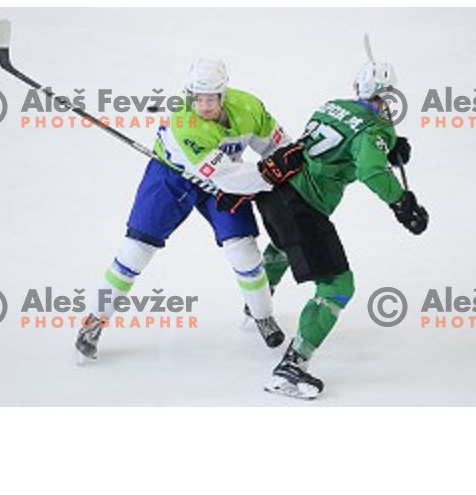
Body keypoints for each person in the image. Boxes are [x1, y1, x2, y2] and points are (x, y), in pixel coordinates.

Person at [75, 58, 304, 360]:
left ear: (224, 94)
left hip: (226, 179)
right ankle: (94, 322)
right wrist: (267, 175)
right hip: (172, 179)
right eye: (198, 98)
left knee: (244, 249)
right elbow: (230, 176)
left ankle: (262, 315)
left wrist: (284, 163)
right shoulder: (183, 124)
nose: (204, 105)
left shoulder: (249, 108)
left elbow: (279, 148)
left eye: (211, 98)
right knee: (135, 251)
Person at [253, 61, 429, 399]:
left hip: (275, 194)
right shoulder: (375, 129)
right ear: (386, 96)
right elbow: (371, 172)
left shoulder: (332, 105)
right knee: (338, 285)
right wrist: (402, 202)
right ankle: (292, 366)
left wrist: (385, 146)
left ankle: (257, 303)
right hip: (303, 206)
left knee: (283, 246)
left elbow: (342, 143)